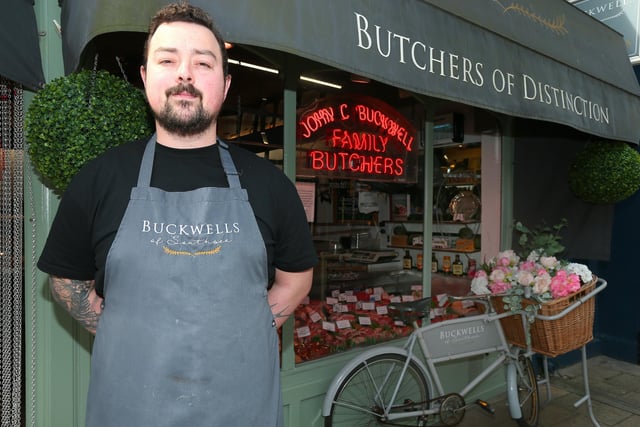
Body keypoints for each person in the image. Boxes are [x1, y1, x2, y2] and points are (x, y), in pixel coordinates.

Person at [37, 3, 318, 426]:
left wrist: (238, 337)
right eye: (168, 59)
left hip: (241, 409)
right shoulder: (99, 178)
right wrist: (129, 340)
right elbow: (66, 281)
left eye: (202, 63)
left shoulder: (269, 184)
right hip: (130, 408)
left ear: (224, 85)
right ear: (146, 77)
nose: (185, 73)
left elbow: (296, 280)